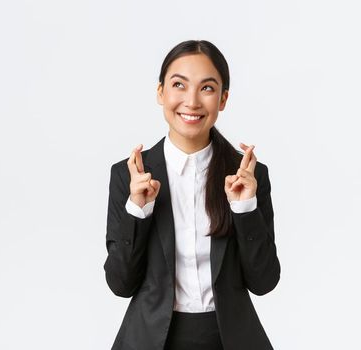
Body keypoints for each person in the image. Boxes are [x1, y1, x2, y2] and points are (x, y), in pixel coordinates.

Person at [104, 40, 280, 350]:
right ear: (161, 93)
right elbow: (121, 284)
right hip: (152, 340)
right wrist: (137, 211)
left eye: (207, 88)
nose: (192, 101)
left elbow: (264, 282)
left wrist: (245, 209)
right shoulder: (130, 174)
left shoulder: (249, 175)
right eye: (179, 85)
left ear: (223, 99)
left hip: (229, 339)